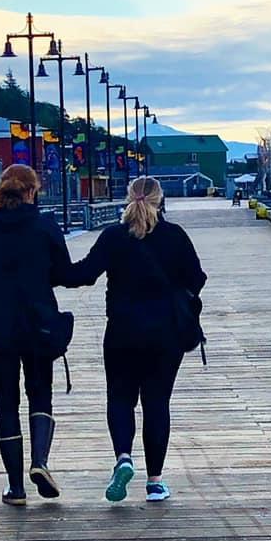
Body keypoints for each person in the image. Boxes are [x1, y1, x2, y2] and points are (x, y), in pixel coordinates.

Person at [62, 176, 206, 503]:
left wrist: (49, 269)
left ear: (128, 198)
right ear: (160, 199)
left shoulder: (114, 236)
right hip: (166, 334)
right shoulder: (175, 236)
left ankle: (123, 458)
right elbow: (197, 279)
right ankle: (155, 482)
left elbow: (83, 274)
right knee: (156, 403)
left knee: (120, 398)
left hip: (122, 332)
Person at [0, 165, 72, 506]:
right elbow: (63, 272)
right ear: (32, 192)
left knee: (5, 403)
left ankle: (16, 488)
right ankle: (40, 461)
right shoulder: (45, 228)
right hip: (40, 325)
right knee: (40, 394)